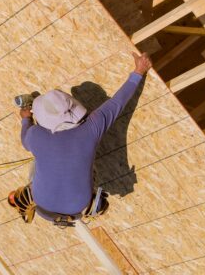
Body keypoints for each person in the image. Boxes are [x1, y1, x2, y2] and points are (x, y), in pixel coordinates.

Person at [10, 52, 152, 224]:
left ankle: (24, 198)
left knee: (36, 164)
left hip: (48, 208)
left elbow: (25, 140)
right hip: (74, 207)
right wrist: (139, 70)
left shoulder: (35, 136)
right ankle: (87, 201)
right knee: (61, 166)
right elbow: (117, 103)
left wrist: (26, 119)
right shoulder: (92, 127)